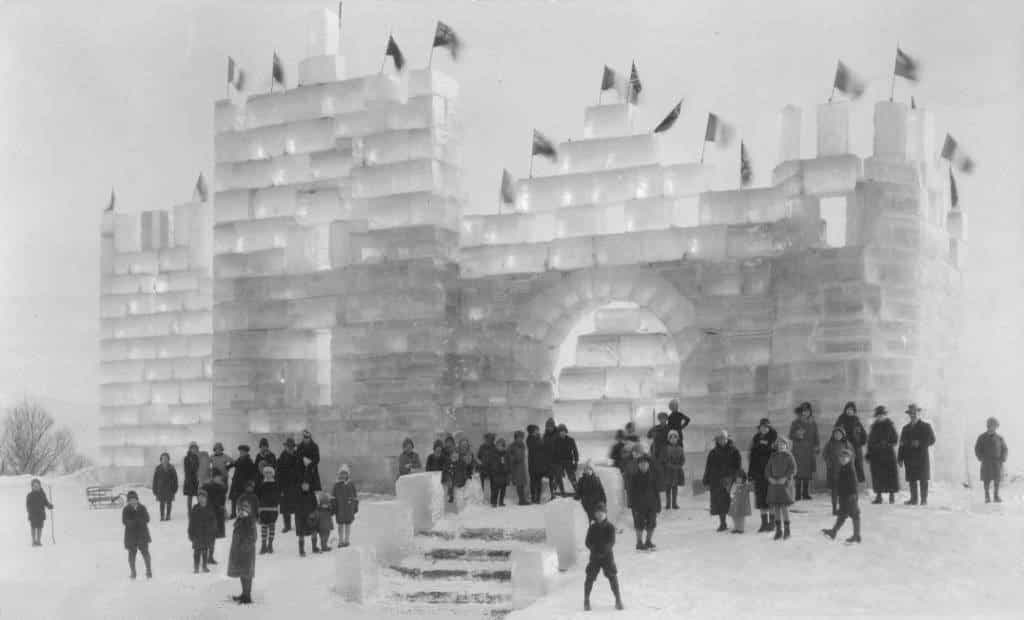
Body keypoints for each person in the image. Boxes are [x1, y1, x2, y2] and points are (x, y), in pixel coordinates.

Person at [583, 502, 624, 611]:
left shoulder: (610, 527)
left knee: (612, 577)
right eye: (598, 512)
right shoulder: (592, 527)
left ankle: (618, 600)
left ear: (605, 513)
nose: (600, 514)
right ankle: (586, 600)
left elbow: (611, 542)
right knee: (589, 577)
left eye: (602, 512)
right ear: (595, 514)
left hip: (607, 557)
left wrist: (604, 550)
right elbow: (587, 542)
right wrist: (593, 549)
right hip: (594, 557)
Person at [703, 429, 741, 532]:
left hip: (729, 480)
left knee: (731, 502)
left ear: (727, 439)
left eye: (723, 438)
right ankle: (723, 523)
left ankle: (737, 525)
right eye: (719, 439)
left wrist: (735, 478)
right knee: (719, 503)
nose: (721, 440)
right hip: (716, 480)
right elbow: (708, 467)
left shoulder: (734, 451)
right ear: (717, 440)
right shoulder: (713, 452)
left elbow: (738, 467)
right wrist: (706, 479)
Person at [897, 403, 936, 505]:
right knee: (912, 479)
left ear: (918, 413)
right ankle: (913, 499)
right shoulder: (905, 428)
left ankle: (924, 499)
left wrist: (920, 443)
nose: (912, 415)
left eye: (914, 413)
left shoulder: (926, 426)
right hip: (909, 457)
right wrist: (900, 458)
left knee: (923, 479)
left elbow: (932, 440)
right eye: (911, 414)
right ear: (909, 415)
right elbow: (902, 444)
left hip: (921, 457)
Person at [821, 448, 862, 544]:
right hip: (844, 496)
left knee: (854, 515)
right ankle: (834, 532)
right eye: (841, 457)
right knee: (843, 515)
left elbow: (854, 484)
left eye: (845, 457)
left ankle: (856, 535)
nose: (843, 459)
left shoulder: (850, 469)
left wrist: (852, 496)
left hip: (850, 496)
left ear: (849, 459)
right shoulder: (843, 468)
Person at [748, 418, 778, 532]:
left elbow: (777, 456)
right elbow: (752, 456)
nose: (763, 429)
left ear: (769, 428)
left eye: (766, 427)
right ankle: (764, 523)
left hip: (771, 473)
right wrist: (751, 473)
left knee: (771, 498)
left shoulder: (774, 438)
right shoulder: (756, 438)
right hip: (758, 473)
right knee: (761, 499)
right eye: (762, 427)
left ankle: (772, 523)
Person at [866, 406, 900, 504]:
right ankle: (879, 496)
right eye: (878, 415)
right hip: (876, 455)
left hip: (888, 454)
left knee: (890, 475)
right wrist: (868, 453)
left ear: (885, 415)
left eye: (882, 415)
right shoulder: (874, 427)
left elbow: (895, 439)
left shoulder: (890, 426)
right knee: (877, 475)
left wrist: (887, 444)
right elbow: (870, 441)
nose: (880, 417)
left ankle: (891, 496)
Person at [765, 437, 797, 541]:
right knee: (776, 508)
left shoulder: (789, 456)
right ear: (776, 446)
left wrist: (785, 478)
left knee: (784, 507)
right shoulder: (773, 456)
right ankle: (778, 530)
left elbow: (793, 469)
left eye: (783, 444)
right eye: (779, 444)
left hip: (784, 485)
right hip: (774, 485)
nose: (781, 446)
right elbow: (767, 469)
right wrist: (770, 478)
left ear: (786, 445)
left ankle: (787, 530)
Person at [227, 497, 257, 604]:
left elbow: (252, 537)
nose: (241, 512)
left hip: (247, 553)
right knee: (242, 573)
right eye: (239, 510)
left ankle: (247, 596)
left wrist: (244, 547)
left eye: (244, 509)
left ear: (249, 510)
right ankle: (244, 593)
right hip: (238, 552)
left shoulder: (250, 522)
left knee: (247, 574)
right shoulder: (239, 521)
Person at [627, 453, 660, 550]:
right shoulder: (634, 477)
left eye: (645, 463)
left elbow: (656, 491)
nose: (643, 465)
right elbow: (631, 492)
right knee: (639, 524)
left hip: (651, 504)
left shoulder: (653, 476)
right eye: (641, 464)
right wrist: (632, 504)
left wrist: (658, 504)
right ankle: (639, 542)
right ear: (638, 465)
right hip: (639, 505)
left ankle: (648, 541)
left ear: (648, 465)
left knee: (652, 523)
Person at [789, 402, 819, 500]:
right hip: (798, 450)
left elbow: (816, 435)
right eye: (804, 411)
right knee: (798, 472)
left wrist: (817, 446)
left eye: (807, 411)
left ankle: (805, 493)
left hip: (809, 450)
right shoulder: (795, 423)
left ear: (810, 412)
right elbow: (790, 435)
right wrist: (797, 434)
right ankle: (797, 494)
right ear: (801, 412)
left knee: (807, 472)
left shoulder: (813, 423)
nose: (806, 413)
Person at [975, 417, 1008, 504]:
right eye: (992, 426)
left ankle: (996, 496)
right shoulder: (982, 437)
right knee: (986, 479)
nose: (993, 428)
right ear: (988, 426)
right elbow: (977, 449)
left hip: (997, 462)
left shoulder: (999, 438)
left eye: (995, 426)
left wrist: (1003, 458)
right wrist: (980, 457)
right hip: (986, 462)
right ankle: (987, 496)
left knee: (997, 479)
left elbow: (1004, 449)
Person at [122, 490, 153, 579]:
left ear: (137, 499)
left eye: (134, 499)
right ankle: (133, 572)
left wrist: (139, 521)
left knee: (145, 553)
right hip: (131, 536)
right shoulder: (126, 509)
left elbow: (147, 518)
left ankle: (149, 571)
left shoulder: (142, 508)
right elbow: (124, 521)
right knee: (131, 555)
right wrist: (132, 523)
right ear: (128, 501)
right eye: (130, 500)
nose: (133, 501)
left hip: (142, 534)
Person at [834, 402, 867, 483]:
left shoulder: (856, 420)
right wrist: (841, 441)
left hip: (856, 446)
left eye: (851, 410)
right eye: (848, 409)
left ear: (854, 411)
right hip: (845, 446)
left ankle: (860, 482)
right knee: (845, 464)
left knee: (858, 464)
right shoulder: (841, 420)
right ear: (845, 410)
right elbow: (836, 432)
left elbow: (863, 434)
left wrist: (861, 442)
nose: (849, 411)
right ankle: (844, 483)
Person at [823, 427, 853, 515]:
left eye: (839, 434)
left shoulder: (847, 444)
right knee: (835, 490)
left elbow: (851, 455)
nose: (837, 435)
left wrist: (848, 464)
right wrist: (829, 463)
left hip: (844, 470)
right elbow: (825, 454)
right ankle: (834, 508)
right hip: (833, 470)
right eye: (836, 434)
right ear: (833, 435)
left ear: (843, 435)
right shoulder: (829, 444)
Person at [201, 472, 228, 565]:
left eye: (220, 478)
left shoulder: (222, 488)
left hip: (218, 514)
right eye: (218, 477)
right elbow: (201, 497)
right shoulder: (207, 486)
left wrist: (224, 511)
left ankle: (210, 556)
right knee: (207, 536)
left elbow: (223, 502)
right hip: (209, 513)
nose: (219, 479)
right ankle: (205, 556)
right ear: (213, 477)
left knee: (213, 537)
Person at [188, 489, 217, 573]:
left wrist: (213, 531)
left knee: (205, 550)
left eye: (203, 497)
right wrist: (190, 533)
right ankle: (196, 567)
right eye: (199, 497)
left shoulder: (210, 508)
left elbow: (213, 521)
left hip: (206, 534)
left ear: (206, 498)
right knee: (197, 551)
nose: (201, 499)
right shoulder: (195, 508)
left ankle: (204, 566)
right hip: (197, 534)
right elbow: (191, 522)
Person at [276, 437, 300, 533]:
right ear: (285, 447)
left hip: (295, 486)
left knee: (298, 507)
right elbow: (278, 474)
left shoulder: (298, 457)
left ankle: (298, 525)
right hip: (285, 486)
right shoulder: (281, 458)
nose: (290, 449)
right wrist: (279, 488)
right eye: (288, 447)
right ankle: (287, 526)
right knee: (285, 507)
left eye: (291, 447)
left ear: (294, 447)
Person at [332, 465, 358, 548]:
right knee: (340, 525)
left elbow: (355, 497)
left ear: (348, 474)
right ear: (339, 474)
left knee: (348, 524)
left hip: (349, 508)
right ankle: (340, 541)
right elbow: (333, 497)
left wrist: (355, 507)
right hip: (340, 509)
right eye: (342, 473)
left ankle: (347, 540)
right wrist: (333, 507)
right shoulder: (336, 485)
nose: (343, 475)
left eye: (345, 473)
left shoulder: (351, 484)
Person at [229, 445, 258, 519]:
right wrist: (227, 467)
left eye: (243, 452)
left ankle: (242, 513)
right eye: (240, 452)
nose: (241, 453)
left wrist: (250, 483)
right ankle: (233, 513)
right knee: (234, 498)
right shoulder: (239, 459)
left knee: (242, 499)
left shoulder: (249, 461)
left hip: (243, 483)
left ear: (246, 452)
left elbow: (252, 473)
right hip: (236, 482)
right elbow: (234, 464)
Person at [660, 430, 685, 510]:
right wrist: (670, 465)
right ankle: (668, 504)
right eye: (671, 438)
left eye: (675, 438)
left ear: (677, 439)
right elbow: (663, 460)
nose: (673, 439)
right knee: (668, 488)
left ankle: (674, 504)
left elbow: (683, 459)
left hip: (677, 471)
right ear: (669, 439)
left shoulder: (680, 449)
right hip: (668, 471)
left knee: (675, 488)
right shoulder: (665, 448)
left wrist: (679, 466)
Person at [256, 466, 279, 554]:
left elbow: (278, 496)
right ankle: (263, 545)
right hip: (263, 508)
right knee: (264, 527)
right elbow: (258, 496)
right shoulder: (261, 484)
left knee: (272, 526)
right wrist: (258, 507)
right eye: (266, 473)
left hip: (273, 508)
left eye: (270, 473)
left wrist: (277, 505)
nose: (268, 474)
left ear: (272, 474)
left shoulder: (276, 484)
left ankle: (270, 545)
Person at [552, 424, 580, 496]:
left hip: (568, 461)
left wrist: (576, 462)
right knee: (557, 478)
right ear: (558, 432)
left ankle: (578, 492)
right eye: (560, 431)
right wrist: (554, 464)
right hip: (558, 462)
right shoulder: (555, 441)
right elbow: (553, 453)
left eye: (563, 431)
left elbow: (575, 451)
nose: (562, 433)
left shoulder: (571, 440)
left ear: (566, 431)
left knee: (572, 477)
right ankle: (552, 493)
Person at [790, 425, 815, 502]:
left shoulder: (808, 441)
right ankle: (797, 495)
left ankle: (805, 494)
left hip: (806, 463)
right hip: (797, 463)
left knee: (806, 480)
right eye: (798, 431)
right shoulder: (792, 442)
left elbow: (811, 453)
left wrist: (813, 464)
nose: (800, 433)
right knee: (797, 480)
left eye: (802, 431)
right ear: (795, 432)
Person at [151, 452, 179, 522]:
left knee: (169, 502)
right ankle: (162, 515)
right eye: (163, 458)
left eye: (166, 458)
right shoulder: (158, 468)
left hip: (169, 488)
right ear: (161, 459)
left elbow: (175, 479)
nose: (165, 460)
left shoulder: (171, 467)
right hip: (161, 488)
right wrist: (154, 489)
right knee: (162, 502)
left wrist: (175, 488)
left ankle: (168, 515)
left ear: (168, 459)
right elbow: (155, 479)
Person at [25, 478, 53, 547]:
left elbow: (45, 502)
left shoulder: (42, 494)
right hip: (33, 514)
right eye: (34, 486)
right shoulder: (30, 495)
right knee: (33, 527)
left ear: (40, 486)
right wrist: (30, 511)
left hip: (41, 514)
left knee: (40, 527)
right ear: (32, 487)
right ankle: (34, 541)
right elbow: (28, 505)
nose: (36, 487)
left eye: (37, 486)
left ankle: (38, 540)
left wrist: (49, 506)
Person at [526, 424, 549, 504]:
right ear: (532, 431)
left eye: (538, 430)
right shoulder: (530, 439)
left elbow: (543, 448)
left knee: (539, 482)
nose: (538, 431)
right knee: (533, 482)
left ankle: (538, 498)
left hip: (539, 464)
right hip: (533, 464)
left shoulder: (538, 438)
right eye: (536, 430)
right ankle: (533, 498)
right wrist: (541, 440)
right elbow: (537, 447)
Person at [295, 479, 318, 557]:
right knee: (301, 534)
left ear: (309, 486)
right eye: (303, 485)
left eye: (306, 485)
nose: (305, 486)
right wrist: (300, 515)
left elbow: (315, 505)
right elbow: (296, 506)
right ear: (301, 486)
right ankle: (301, 550)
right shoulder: (298, 494)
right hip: (300, 517)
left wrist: (313, 513)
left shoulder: (312, 494)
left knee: (314, 531)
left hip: (311, 516)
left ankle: (314, 547)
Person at [487, 437, 511, 507]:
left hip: (504, 473)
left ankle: (501, 501)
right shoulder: (493, 453)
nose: (500, 447)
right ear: (496, 446)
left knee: (503, 489)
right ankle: (494, 502)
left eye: (502, 445)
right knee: (495, 489)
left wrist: (508, 471)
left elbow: (508, 462)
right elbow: (490, 463)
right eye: (498, 445)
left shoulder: (506, 454)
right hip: (496, 473)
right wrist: (492, 471)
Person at [509, 430, 530, 505]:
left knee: (523, 484)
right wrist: (515, 459)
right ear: (516, 438)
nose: (521, 439)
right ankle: (521, 500)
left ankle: (523, 499)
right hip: (516, 467)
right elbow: (509, 456)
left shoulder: (523, 445)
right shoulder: (512, 446)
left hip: (522, 467)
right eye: (519, 437)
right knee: (519, 484)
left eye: (522, 437)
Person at [477, 433, 497, 497]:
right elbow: (478, 457)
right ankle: (481, 496)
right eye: (487, 439)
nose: (489, 441)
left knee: (493, 484)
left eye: (491, 439)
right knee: (481, 484)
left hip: (492, 468)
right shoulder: (482, 447)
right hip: (483, 468)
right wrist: (480, 463)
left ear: (493, 440)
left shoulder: (494, 447)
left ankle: (493, 498)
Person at [183, 442, 201, 512]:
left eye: (195, 448)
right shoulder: (186, 458)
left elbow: (200, 468)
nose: (194, 450)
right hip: (189, 480)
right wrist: (189, 480)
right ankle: (190, 512)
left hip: (197, 480)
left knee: (199, 496)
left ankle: (200, 511)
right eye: (193, 448)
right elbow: (187, 470)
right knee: (189, 497)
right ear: (190, 449)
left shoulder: (198, 457)